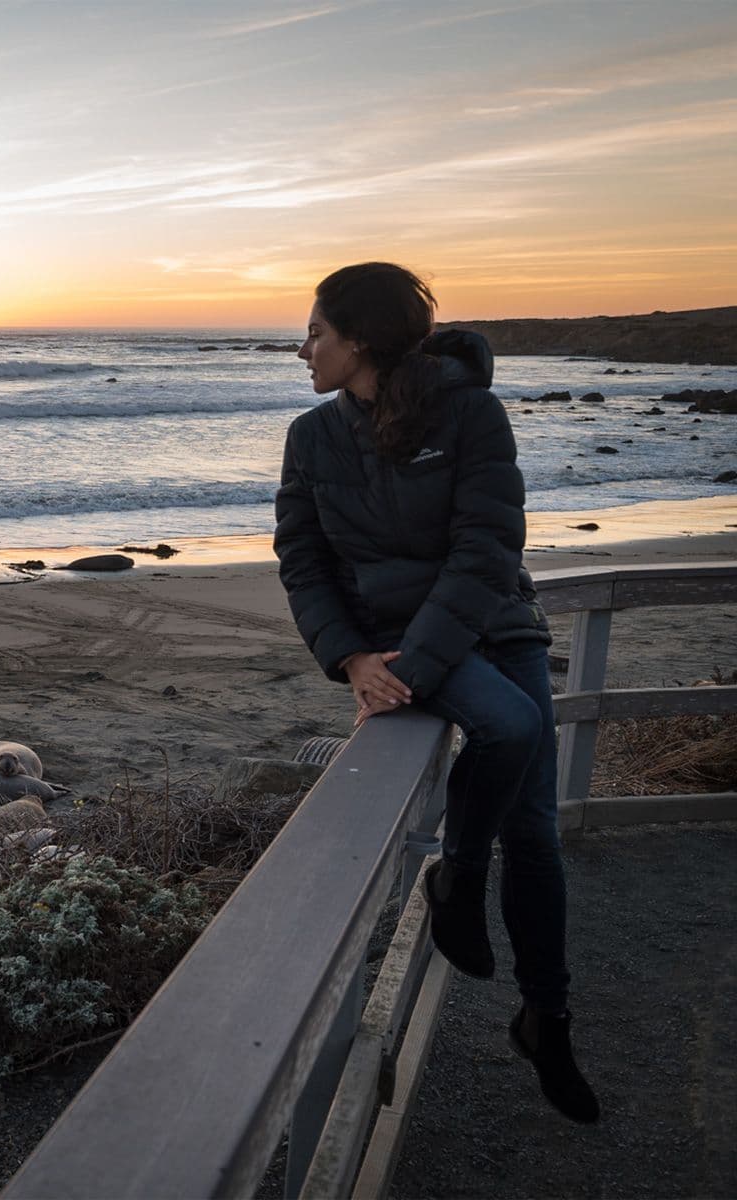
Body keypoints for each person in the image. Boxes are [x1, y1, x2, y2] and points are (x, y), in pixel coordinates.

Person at [273, 261, 599, 1124]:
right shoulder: (311, 438)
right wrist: (351, 660)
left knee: (534, 831)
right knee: (517, 729)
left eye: (315, 333)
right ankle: (462, 889)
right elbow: (302, 562)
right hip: (394, 639)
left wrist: (414, 667)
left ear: (362, 340)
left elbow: (487, 547)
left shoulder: (468, 414)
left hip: (492, 622)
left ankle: (545, 1013)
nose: (302, 348)